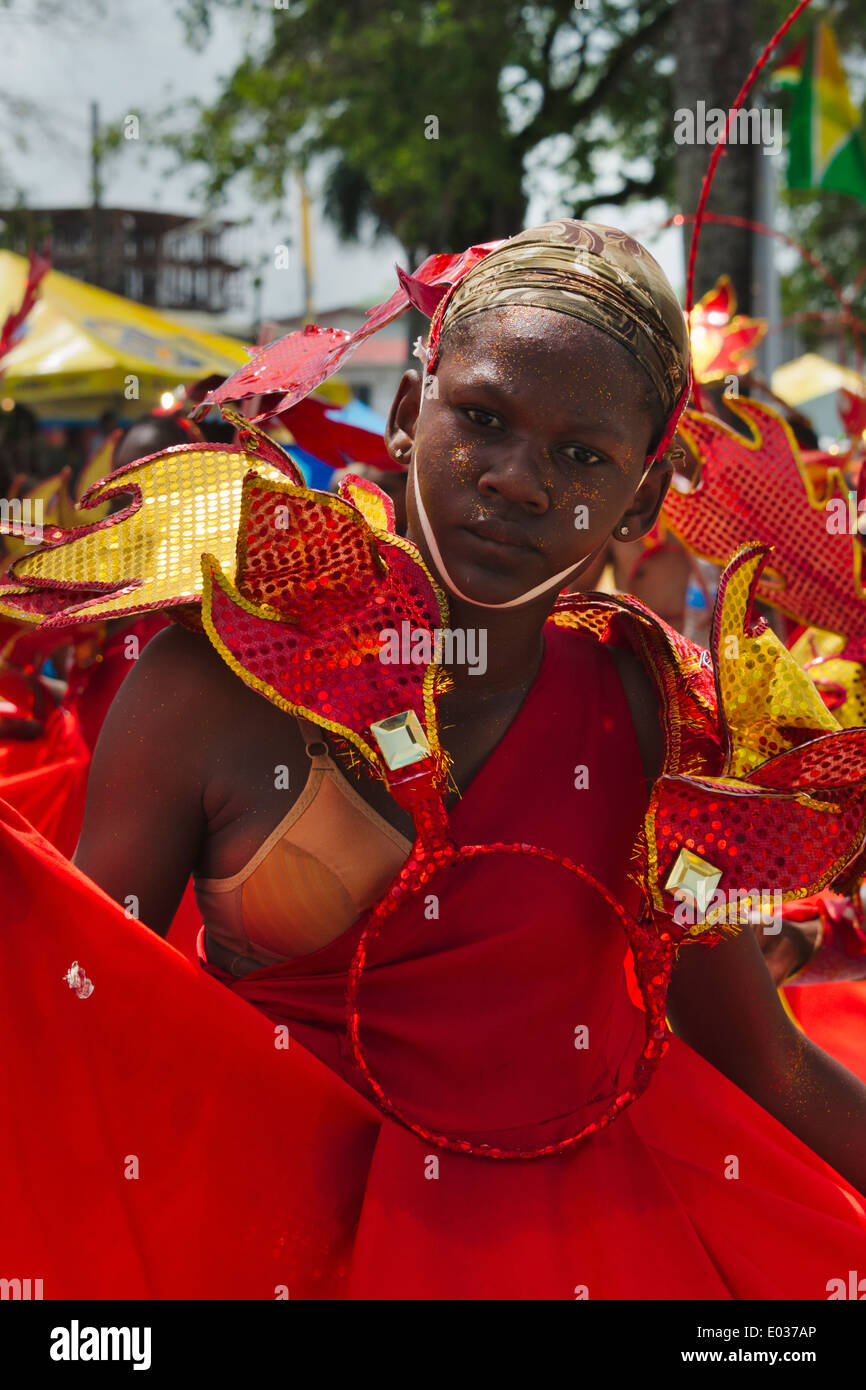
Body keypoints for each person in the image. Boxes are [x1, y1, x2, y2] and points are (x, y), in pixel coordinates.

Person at [3, 220, 866, 1300]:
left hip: (598, 1253)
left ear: (639, 503)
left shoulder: (651, 720)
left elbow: (763, 1058)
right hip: (266, 1245)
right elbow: (73, 1029)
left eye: (581, 454)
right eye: (482, 418)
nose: (516, 480)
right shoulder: (213, 685)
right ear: (409, 417)